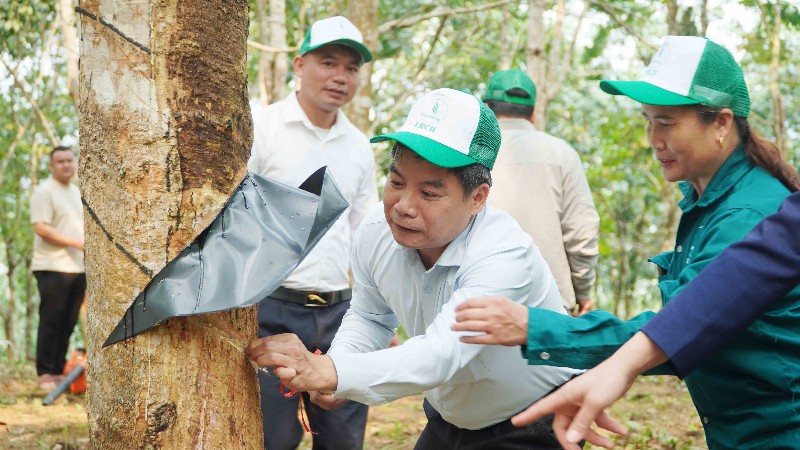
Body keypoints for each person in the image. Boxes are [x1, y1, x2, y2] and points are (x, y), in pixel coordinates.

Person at [452, 36, 800, 449]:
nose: (654, 138)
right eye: (648, 121)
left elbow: (683, 325)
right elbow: (686, 322)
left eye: (666, 123)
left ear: (721, 123)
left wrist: (538, 328)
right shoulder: (709, 200)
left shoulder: (745, 214)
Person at [247, 88, 583, 449]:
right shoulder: (376, 232)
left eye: (429, 194)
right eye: (396, 182)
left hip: (533, 422)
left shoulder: (502, 255)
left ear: (477, 197)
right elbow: (370, 316)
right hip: (448, 418)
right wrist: (340, 368)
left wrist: (331, 371)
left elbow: (441, 355)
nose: (403, 206)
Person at [247, 15, 378, 450]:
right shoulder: (263, 128)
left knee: (343, 440)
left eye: (351, 68)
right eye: (328, 63)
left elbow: (366, 234)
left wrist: (380, 312)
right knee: (271, 439)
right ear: (300, 65)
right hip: (272, 309)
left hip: (341, 316)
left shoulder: (359, 147)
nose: (340, 77)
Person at [483, 69, 599, 316]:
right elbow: (582, 232)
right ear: (534, 114)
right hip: (549, 306)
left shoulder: (468, 155)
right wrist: (583, 292)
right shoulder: (562, 154)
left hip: (478, 304)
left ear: (486, 108)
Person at [30, 145, 86, 391]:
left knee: (68, 322)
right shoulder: (44, 191)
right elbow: (41, 227)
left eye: (69, 160)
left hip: (77, 267)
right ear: (51, 166)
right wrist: (75, 243)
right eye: (60, 161)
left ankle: (57, 371)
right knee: (51, 320)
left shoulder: (76, 191)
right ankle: (45, 374)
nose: (66, 165)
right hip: (52, 266)